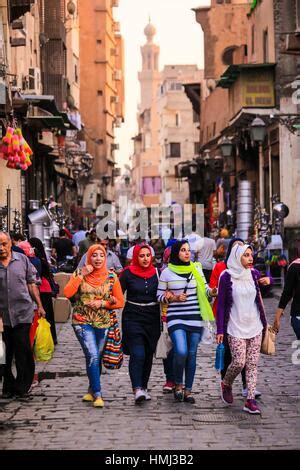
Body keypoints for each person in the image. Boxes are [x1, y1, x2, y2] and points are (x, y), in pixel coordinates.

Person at [64, 244, 124, 407]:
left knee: (95, 357)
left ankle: (90, 390)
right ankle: (98, 393)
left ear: (106, 258)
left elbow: (120, 301)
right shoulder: (80, 273)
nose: (98, 258)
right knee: (92, 355)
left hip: (103, 322)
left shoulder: (112, 277)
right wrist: (81, 274)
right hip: (82, 321)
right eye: (95, 255)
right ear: (89, 258)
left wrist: (103, 303)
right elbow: (67, 293)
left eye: (101, 255)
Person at [210, 238, 271, 398]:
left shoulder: (254, 274)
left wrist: (268, 281)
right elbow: (222, 305)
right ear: (237, 256)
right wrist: (220, 330)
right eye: (246, 255)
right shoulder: (226, 276)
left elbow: (264, 289)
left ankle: (250, 399)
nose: (251, 258)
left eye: (251, 255)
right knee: (238, 362)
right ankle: (226, 383)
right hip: (235, 327)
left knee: (252, 364)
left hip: (255, 325)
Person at [157, 240, 216, 404]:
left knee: (191, 354)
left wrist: (213, 292)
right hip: (175, 317)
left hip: (195, 317)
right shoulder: (167, 272)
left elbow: (205, 289)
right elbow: (159, 296)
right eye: (183, 250)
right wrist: (174, 298)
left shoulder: (196, 268)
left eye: (188, 250)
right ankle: (178, 384)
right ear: (176, 253)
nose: (187, 253)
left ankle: (188, 390)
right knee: (181, 351)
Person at [0, 232, 46, 399]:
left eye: (4, 243)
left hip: (23, 313)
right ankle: (8, 385)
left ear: (10, 243)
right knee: (4, 353)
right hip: (2, 317)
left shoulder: (22, 260)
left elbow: (32, 283)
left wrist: (39, 306)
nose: (1, 248)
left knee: (23, 351)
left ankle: (22, 387)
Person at [119, 244, 160, 404]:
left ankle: (144, 387)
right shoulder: (127, 273)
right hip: (132, 316)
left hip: (152, 317)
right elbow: (116, 292)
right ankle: (136, 389)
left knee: (148, 354)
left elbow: (163, 292)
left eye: (147, 255)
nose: (145, 259)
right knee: (138, 354)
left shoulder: (157, 273)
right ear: (136, 257)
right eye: (141, 256)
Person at [29, 237, 58, 344]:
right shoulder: (43, 258)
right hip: (47, 288)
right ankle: (52, 337)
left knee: (44, 315)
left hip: (41, 289)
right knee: (49, 315)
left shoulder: (36, 260)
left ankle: (45, 340)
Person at [273, 257, 300, 339]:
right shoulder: (295, 266)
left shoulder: (294, 266)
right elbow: (287, 293)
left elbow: (287, 293)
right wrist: (277, 317)